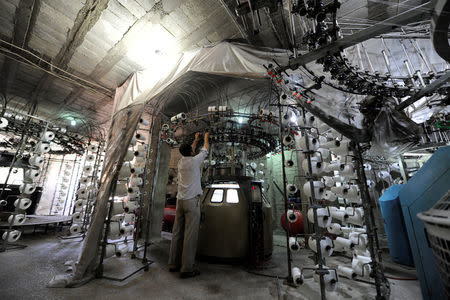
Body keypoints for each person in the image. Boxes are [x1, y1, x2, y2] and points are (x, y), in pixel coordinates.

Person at [168, 131, 210, 278]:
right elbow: (205, 148)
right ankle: (187, 268)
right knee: (190, 235)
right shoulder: (195, 161)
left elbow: (189, 150)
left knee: (177, 232)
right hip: (192, 202)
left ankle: (173, 263)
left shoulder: (181, 162)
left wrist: (195, 139)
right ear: (192, 152)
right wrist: (205, 138)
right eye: (192, 149)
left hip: (181, 202)